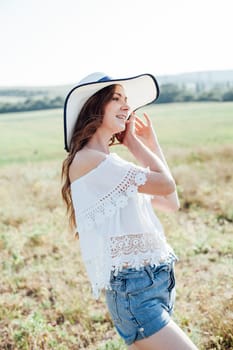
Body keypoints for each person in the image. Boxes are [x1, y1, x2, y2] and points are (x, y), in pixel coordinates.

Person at [61, 72, 198, 350]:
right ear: (94, 106)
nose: (127, 106)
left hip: (155, 284)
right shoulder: (90, 161)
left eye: (127, 100)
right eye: (116, 98)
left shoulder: (113, 166)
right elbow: (166, 183)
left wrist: (150, 143)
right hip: (134, 292)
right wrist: (136, 144)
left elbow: (171, 202)